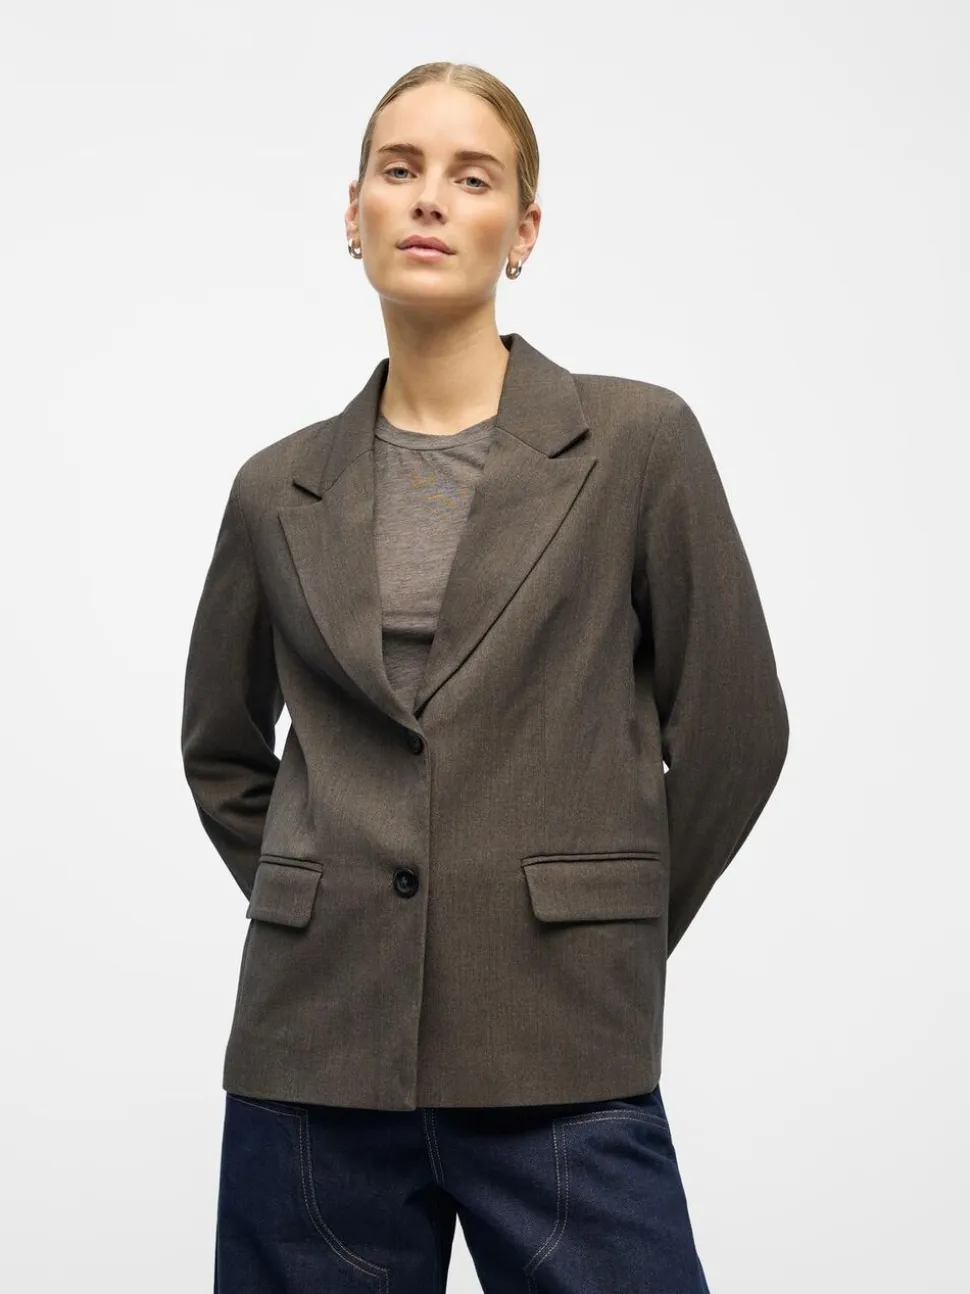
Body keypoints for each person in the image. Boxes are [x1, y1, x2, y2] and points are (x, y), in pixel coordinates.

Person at [181, 60, 789, 1293]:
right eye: (398, 169)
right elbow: (223, 747)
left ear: (523, 230)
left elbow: (737, 731)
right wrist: (337, 908)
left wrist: (602, 931)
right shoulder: (275, 488)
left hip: (558, 1045)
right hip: (314, 1055)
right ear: (352, 211)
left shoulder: (635, 443)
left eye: (472, 178)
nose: (428, 199)